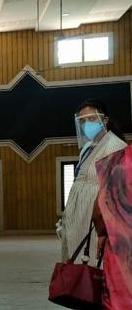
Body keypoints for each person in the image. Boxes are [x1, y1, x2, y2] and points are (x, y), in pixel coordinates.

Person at [58, 99, 126, 268]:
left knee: (95, 265)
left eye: (92, 119)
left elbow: (116, 191)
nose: (87, 124)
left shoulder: (116, 146)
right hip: (79, 217)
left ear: (104, 120)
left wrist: (104, 226)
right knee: (75, 263)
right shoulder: (87, 147)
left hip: (97, 218)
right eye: (82, 120)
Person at [94, 145, 132, 309]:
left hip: (121, 246)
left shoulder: (118, 161)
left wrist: (102, 233)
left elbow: (102, 205)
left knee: (119, 297)